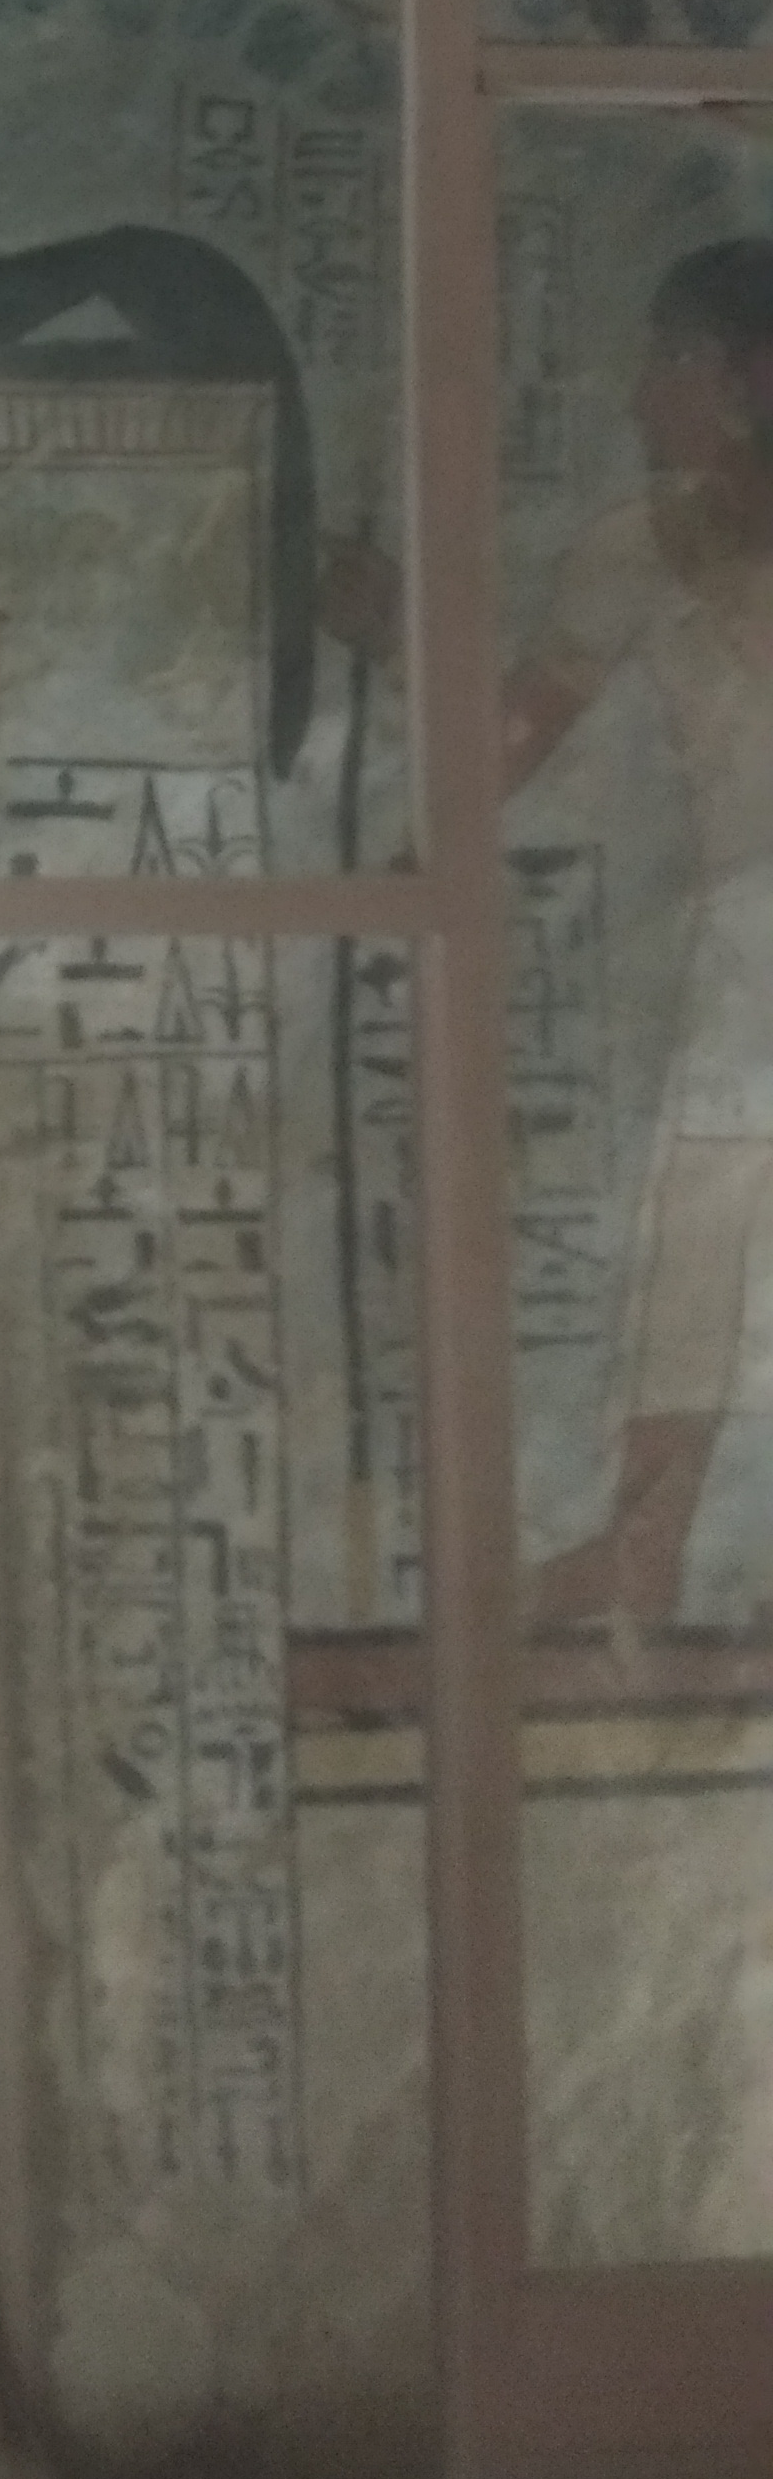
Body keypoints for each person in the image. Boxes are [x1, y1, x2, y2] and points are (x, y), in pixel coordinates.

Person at [330, 236, 773, 1636]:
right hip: (753, 937)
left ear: (748, 377)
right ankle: (643, 1554)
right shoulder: (640, 544)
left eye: (667, 361)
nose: (639, 396)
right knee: (696, 1240)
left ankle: (646, 1553)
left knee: (705, 1230)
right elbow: (513, 733)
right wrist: (398, 661)